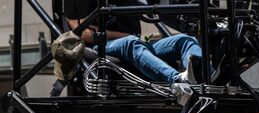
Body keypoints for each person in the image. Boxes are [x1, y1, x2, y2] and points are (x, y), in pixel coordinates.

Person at [64, 0, 210, 83]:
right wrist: (123, 35)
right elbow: (81, 31)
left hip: (134, 43)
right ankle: (177, 81)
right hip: (100, 46)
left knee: (185, 41)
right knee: (131, 42)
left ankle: (206, 77)